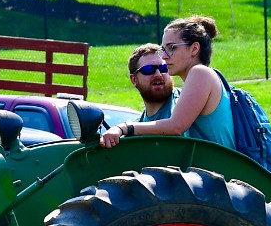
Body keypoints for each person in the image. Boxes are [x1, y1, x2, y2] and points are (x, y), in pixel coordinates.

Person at [101, 15, 235, 150]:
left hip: (220, 169)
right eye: (163, 49)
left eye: (172, 47)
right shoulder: (201, 77)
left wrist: (125, 127)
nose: (164, 56)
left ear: (194, 49)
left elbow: (176, 126)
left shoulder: (200, 72)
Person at [126, 42, 178, 123]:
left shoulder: (187, 99)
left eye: (164, 68)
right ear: (134, 79)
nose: (158, 74)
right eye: (149, 69)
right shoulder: (135, 130)